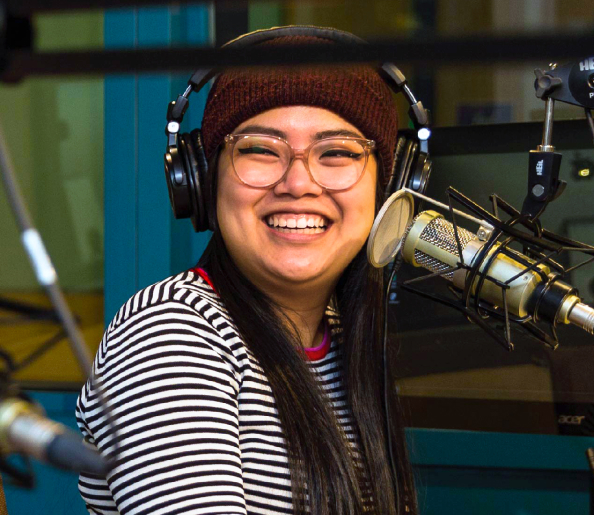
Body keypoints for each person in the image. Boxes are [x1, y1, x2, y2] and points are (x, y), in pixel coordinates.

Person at [75, 28, 416, 515]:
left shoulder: (343, 337)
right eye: (259, 149)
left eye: (337, 153)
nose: (298, 183)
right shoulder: (170, 333)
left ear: (391, 185)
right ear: (201, 179)